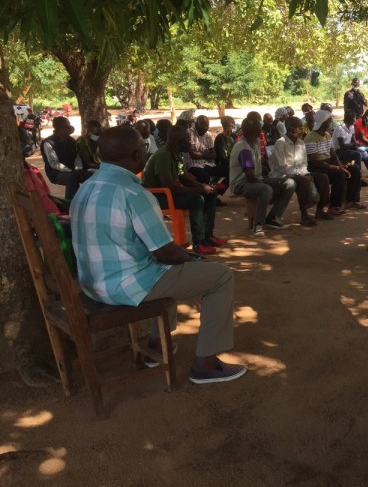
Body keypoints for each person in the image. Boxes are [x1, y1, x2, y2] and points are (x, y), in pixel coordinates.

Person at [71, 126, 246, 384]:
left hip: (92, 284)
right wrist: (191, 259)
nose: (145, 150)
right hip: (124, 286)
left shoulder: (85, 187)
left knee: (167, 272)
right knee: (219, 276)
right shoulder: (134, 194)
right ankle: (206, 365)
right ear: (134, 155)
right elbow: (166, 253)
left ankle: (155, 346)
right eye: (142, 147)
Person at [142, 125, 226, 255]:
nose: (190, 144)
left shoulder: (175, 154)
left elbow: (183, 177)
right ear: (179, 142)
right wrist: (198, 189)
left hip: (167, 193)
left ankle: (208, 236)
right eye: (188, 141)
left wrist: (203, 186)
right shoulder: (163, 156)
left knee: (210, 193)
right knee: (196, 199)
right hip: (157, 197)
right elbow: (169, 187)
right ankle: (199, 243)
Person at [229, 117, 296, 237]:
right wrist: (266, 182)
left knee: (290, 183)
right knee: (266, 189)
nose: (261, 132)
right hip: (241, 183)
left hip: (256, 179)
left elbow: (259, 166)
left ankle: (273, 218)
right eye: (259, 130)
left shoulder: (254, 144)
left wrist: (270, 175)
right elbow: (249, 176)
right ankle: (258, 225)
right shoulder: (242, 147)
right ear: (253, 132)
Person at [270, 116, 331, 226]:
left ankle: (320, 210)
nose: (301, 130)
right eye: (298, 128)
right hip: (282, 174)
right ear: (289, 129)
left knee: (323, 177)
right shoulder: (281, 143)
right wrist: (302, 176)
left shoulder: (301, 143)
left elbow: (304, 164)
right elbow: (282, 167)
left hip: (299, 172)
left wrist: (307, 174)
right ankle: (304, 215)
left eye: (301, 127)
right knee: (303, 181)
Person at [306, 110, 364, 214]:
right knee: (339, 174)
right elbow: (315, 161)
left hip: (327, 163)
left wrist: (339, 165)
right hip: (317, 166)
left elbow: (332, 154)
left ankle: (351, 201)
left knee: (354, 170)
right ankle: (334, 206)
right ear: (323, 123)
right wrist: (335, 168)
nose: (331, 123)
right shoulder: (311, 138)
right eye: (329, 121)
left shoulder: (327, 135)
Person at [40, 116, 93, 199]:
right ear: (58, 129)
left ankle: (90, 200)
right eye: (65, 128)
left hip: (74, 170)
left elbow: (77, 156)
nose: (67, 130)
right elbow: (54, 163)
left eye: (68, 127)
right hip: (56, 173)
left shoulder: (71, 140)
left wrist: (78, 168)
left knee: (93, 176)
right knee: (73, 178)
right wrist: (70, 171)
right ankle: (70, 203)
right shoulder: (48, 142)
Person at [186, 115, 226, 184]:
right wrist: (206, 152)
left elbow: (214, 155)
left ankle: (220, 193)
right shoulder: (189, 132)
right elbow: (193, 155)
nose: (205, 128)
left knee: (227, 170)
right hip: (192, 166)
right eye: (202, 125)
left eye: (207, 126)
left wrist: (200, 155)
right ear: (196, 124)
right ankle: (206, 192)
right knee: (204, 177)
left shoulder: (208, 134)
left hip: (207, 164)